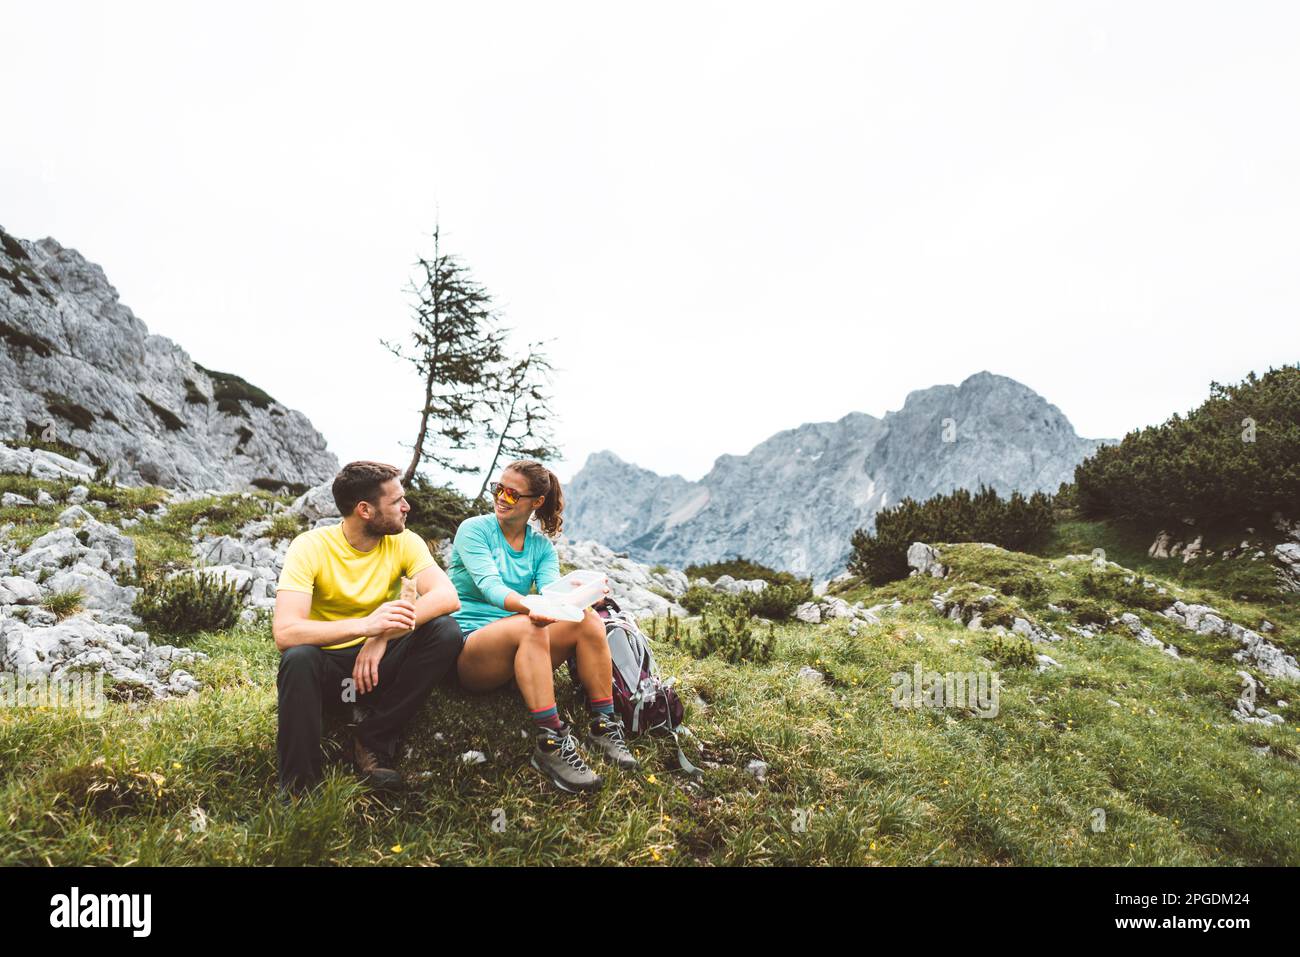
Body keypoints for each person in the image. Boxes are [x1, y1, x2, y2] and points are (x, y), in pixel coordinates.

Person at [272, 461, 463, 796]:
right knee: (298, 658)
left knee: (445, 631)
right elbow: (286, 632)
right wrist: (365, 625)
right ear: (364, 510)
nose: (407, 507)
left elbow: (447, 596)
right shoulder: (311, 546)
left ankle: (373, 739)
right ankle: (299, 791)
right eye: (396, 501)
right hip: (331, 673)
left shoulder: (405, 541)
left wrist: (380, 635)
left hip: (380, 667)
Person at [449, 459, 637, 793]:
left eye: (512, 494)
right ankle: (551, 743)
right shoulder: (474, 530)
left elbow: (554, 592)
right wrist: (530, 607)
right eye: (499, 489)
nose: (501, 498)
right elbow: (490, 586)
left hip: (522, 649)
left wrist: (582, 597)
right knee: (529, 625)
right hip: (473, 650)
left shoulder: (540, 547)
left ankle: (604, 725)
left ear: (535, 502)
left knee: (589, 620)